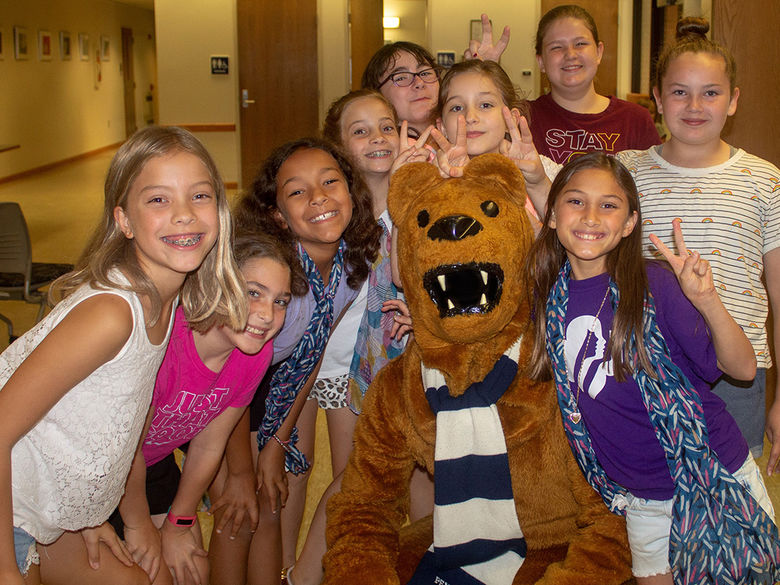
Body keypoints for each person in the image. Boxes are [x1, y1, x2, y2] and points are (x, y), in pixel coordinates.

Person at [0, 125, 245, 585]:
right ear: (123, 220)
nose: (183, 215)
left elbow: (123, 426)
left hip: (47, 505)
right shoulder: (113, 314)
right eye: (158, 200)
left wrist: (110, 518)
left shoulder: (168, 299)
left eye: (200, 196)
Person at [527, 152, 778, 584]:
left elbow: (743, 368)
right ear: (551, 215)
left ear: (629, 224)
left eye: (609, 205)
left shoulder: (654, 283)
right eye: (575, 201)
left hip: (713, 473)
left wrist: (706, 300)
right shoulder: (548, 297)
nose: (590, 216)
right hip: (640, 495)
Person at [615, 17, 780, 472]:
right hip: (643, 364)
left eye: (711, 92)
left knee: (734, 501)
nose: (694, 105)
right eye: (679, 91)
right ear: (658, 99)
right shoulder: (623, 172)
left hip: (737, 375)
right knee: (649, 500)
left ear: (733, 101)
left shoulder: (765, 181)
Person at [94, 233, 304, 585]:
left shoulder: (255, 355)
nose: (267, 315)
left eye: (280, 301)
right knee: (148, 575)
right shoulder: (166, 342)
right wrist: (140, 524)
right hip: (98, 466)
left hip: (151, 466)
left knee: (191, 570)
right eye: (253, 292)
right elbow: (124, 450)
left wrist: (179, 521)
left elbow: (209, 444)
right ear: (218, 282)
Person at [215, 138, 381, 585]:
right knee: (240, 510)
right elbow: (229, 379)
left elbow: (310, 358)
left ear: (351, 191)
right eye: (297, 191)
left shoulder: (351, 264)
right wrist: (240, 466)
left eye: (330, 182)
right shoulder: (272, 275)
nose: (319, 197)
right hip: (222, 403)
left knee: (270, 504)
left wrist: (276, 444)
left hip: (274, 391)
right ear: (276, 215)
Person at [430, 59, 555, 225]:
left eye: (486, 105)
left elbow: (564, 242)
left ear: (511, 118)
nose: (470, 117)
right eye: (457, 108)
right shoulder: (431, 178)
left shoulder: (540, 169)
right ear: (443, 127)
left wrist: (538, 185)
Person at [530, 4, 660, 164]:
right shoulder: (524, 118)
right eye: (556, 47)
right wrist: (489, 68)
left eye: (580, 44)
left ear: (599, 52)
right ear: (541, 61)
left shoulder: (636, 120)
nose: (570, 54)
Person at [361, 14, 509, 139]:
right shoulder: (378, 155)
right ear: (376, 94)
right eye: (401, 77)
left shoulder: (470, 133)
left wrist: (483, 77)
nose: (419, 83)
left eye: (425, 73)